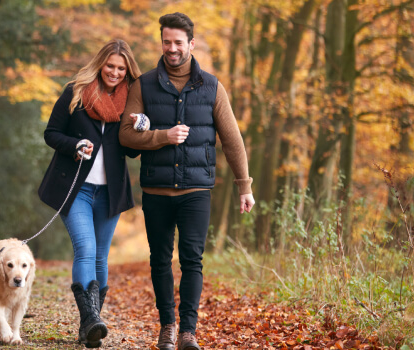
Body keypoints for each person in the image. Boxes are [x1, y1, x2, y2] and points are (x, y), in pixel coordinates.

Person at [119, 13, 255, 350]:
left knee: (192, 260)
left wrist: (245, 186)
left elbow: (232, 140)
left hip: (196, 190)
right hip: (155, 189)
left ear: (191, 44)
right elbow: (125, 136)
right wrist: (163, 136)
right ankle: (167, 326)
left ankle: (188, 332)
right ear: (161, 42)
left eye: (179, 42)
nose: (172, 48)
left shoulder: (211, 86)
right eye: (167, 42)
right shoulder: (144, 85)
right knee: (160, 260)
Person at [38, 39, 142, 348]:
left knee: (100, 256)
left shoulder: (132, 102)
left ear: (127, 71)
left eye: (121, 69)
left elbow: (133, 153)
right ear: (100, 64)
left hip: (110, 193)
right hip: (76, 188)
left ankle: (89, 326)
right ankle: (91, 320)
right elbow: (51, 133)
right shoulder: (76, 92)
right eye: (110, 66)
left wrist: (138, 128)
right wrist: (74, 146)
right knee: (85, 248)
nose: (114, 72)